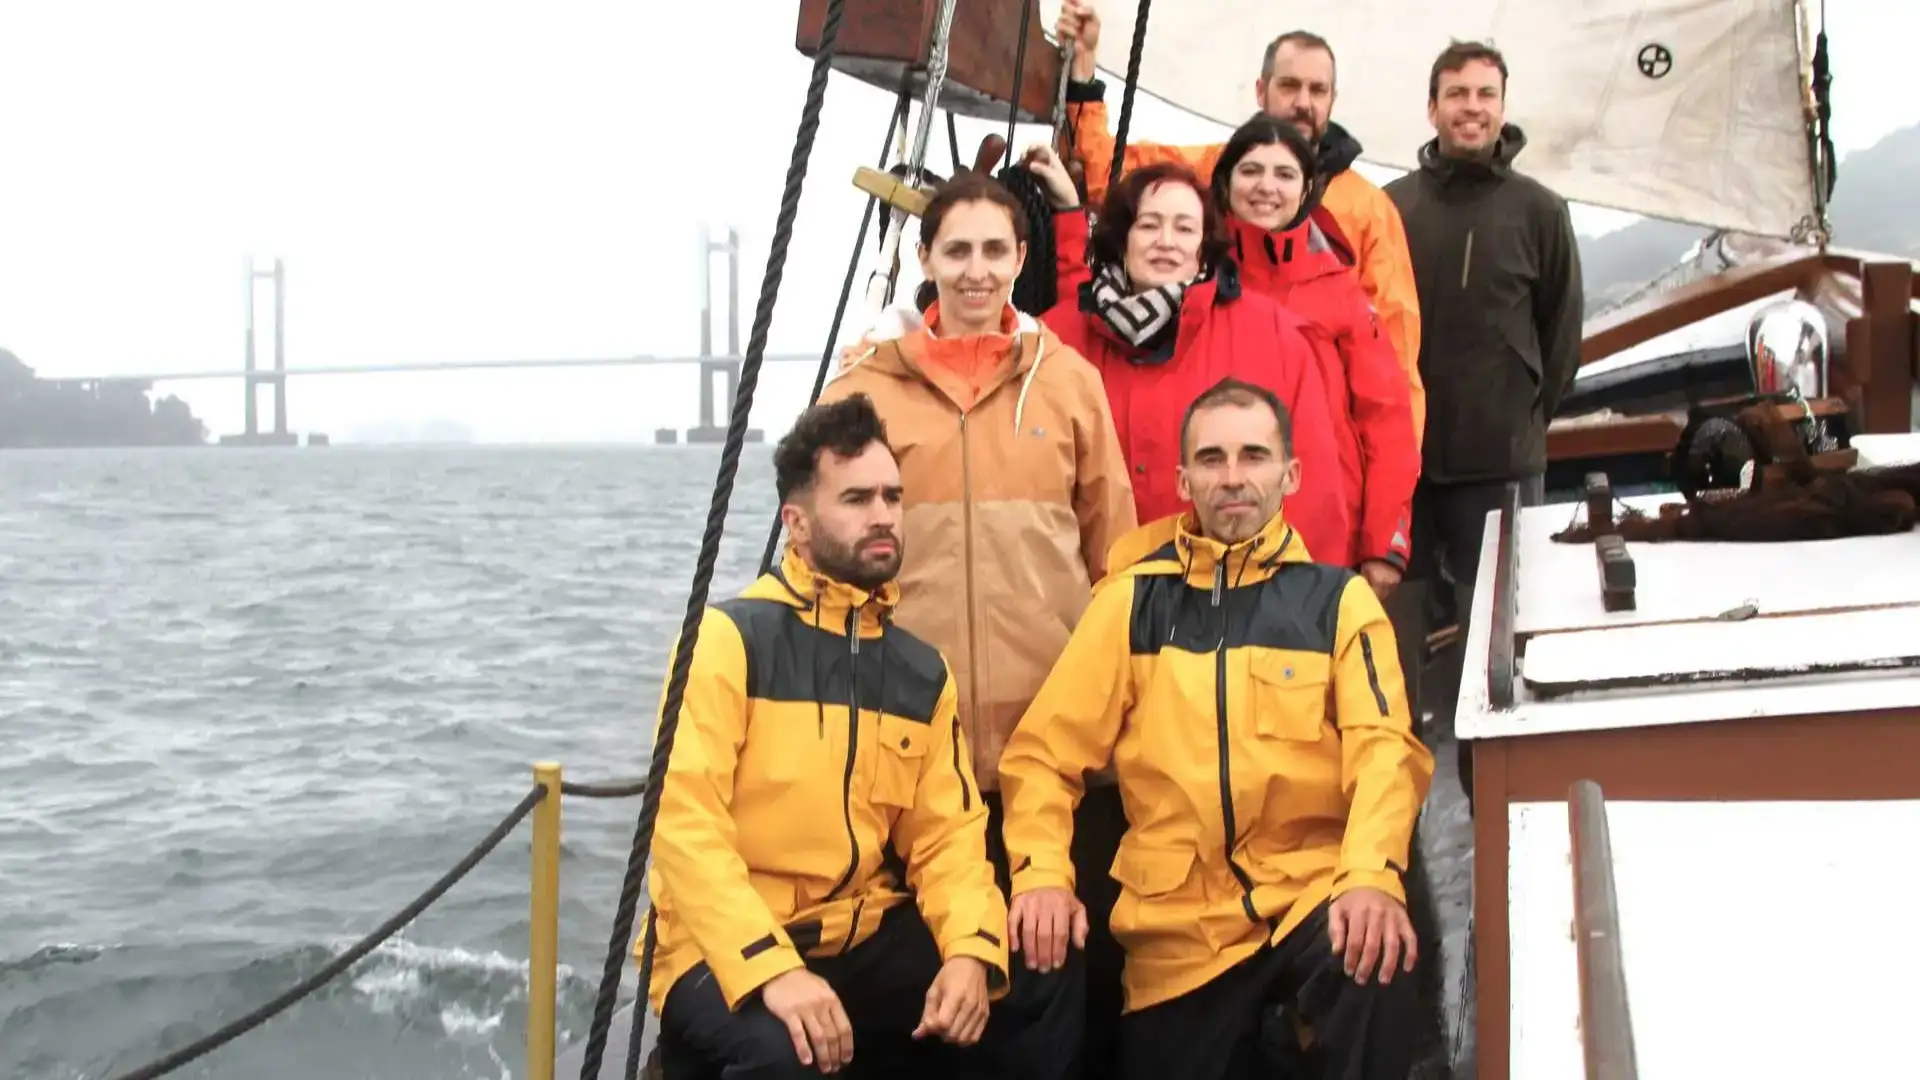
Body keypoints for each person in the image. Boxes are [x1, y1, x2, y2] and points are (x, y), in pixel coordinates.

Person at [998, 378, 1435, 1080]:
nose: (1233, 477)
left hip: (1308, 903)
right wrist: (1044, 875)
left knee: (1372, 960)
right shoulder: (1130, 605)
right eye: (1212, 459)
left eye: (1254, 456)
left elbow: (1386, 750)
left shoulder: (1339, 604)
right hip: (1178, 938)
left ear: (1289, 474)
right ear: (1184, 479)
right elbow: (1041, 758)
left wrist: (1371, 876)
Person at [644, 395, 1080, 1079]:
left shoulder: (916, 671)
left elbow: (948, 840)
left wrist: (970, 952)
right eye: (855, 499)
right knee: (786, 1056)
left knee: (1030, 979)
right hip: (718, 945)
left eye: (892, 496)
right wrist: (770, 971)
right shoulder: (729, 641)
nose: (882, 515)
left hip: (862, 931)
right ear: (797, 522)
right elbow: (683, 831)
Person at [820, 171, 1136, 1070]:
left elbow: (1115, 559)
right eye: (955, 250)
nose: (975, 271)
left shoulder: (1068, 385)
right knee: (927, 985)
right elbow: (822, 557)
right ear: (925, 259)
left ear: (1022, 259)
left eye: (995, 250)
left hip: (1051, 746)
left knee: (1057, 982)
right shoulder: (862, 393)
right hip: (913, 752)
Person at [1052, 1, 1424, 444]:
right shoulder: (1211, 170)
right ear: (1261, 89)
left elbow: (1395, 367)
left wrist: (1392, 500)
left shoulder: (1369, 208)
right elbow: (1106, 172)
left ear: (1332, 99)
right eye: (1289, 86)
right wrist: (1084, 67)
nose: (1302, 102)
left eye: (1317, 90)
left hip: (1316, 451)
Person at [1383, 40, 1583, 798]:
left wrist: (1524, 419)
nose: (1472, 107)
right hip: (1404, 462)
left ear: (1503, 107)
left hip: (1497, 461)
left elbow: (1560, 335)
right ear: (1432, 107)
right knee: (1393, 633)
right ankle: (1392, 789)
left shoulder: (1539, 211)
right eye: (1457, 93)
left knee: (1491, 639)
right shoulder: (1392, 207)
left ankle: (1489, 787)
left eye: (1486, 94)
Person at [1020, 143, 1351, 573]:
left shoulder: (1272, 334)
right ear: (1122, 239)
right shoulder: (1057, 336)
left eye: (1184, 229)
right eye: (1149, 225)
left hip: (1225, 595)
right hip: (1090, 597)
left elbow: (1315, 481)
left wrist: (1309, 594)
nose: (1165, 242)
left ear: (1204, 247)